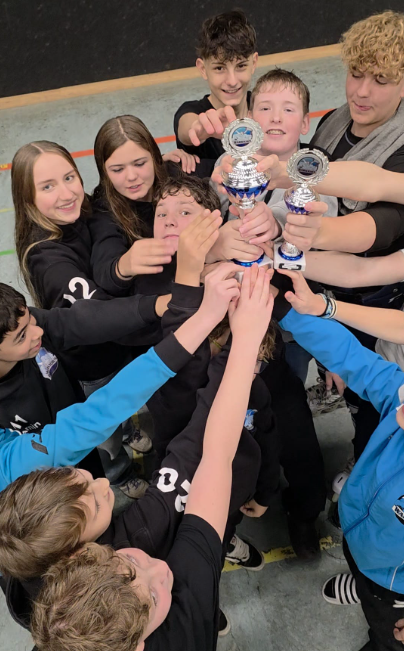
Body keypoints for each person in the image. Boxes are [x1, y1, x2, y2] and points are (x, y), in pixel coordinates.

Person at [30, 265, 275, 651]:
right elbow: (211, 457)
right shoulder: (187, 622)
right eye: (156, 598)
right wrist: (243, 345)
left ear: (79, 557)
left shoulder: (53, 604)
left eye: (128, 563)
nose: (161, 567)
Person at [11, 139, 161, 494]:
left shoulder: (85, 210)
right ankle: (119, 471)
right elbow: (95, 315)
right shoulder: (47, 259)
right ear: (28, 198)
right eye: (48, 186)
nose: (66, 194)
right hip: (91, 365)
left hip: (121, 345)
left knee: (124, 404)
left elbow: (107, 201)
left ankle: (129, 430)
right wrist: (158, 305)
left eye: (69, 178)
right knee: (103, 425)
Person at [266, 269, 404, 651]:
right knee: (360, 564)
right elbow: (352, 358)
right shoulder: (400, 397)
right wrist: (286, 306)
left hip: (395, 588)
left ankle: (373, 597)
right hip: (367, 539)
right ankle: (361, 582)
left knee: (386, 635)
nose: (400, 407)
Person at [174, 10, 258, 175]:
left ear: (253, 63)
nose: (232, 81)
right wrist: (200, 128)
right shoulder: (190, 111)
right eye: (219, 68)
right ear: (203, 69)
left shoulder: (264, 107)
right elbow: (187, 127)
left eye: (241, 66)